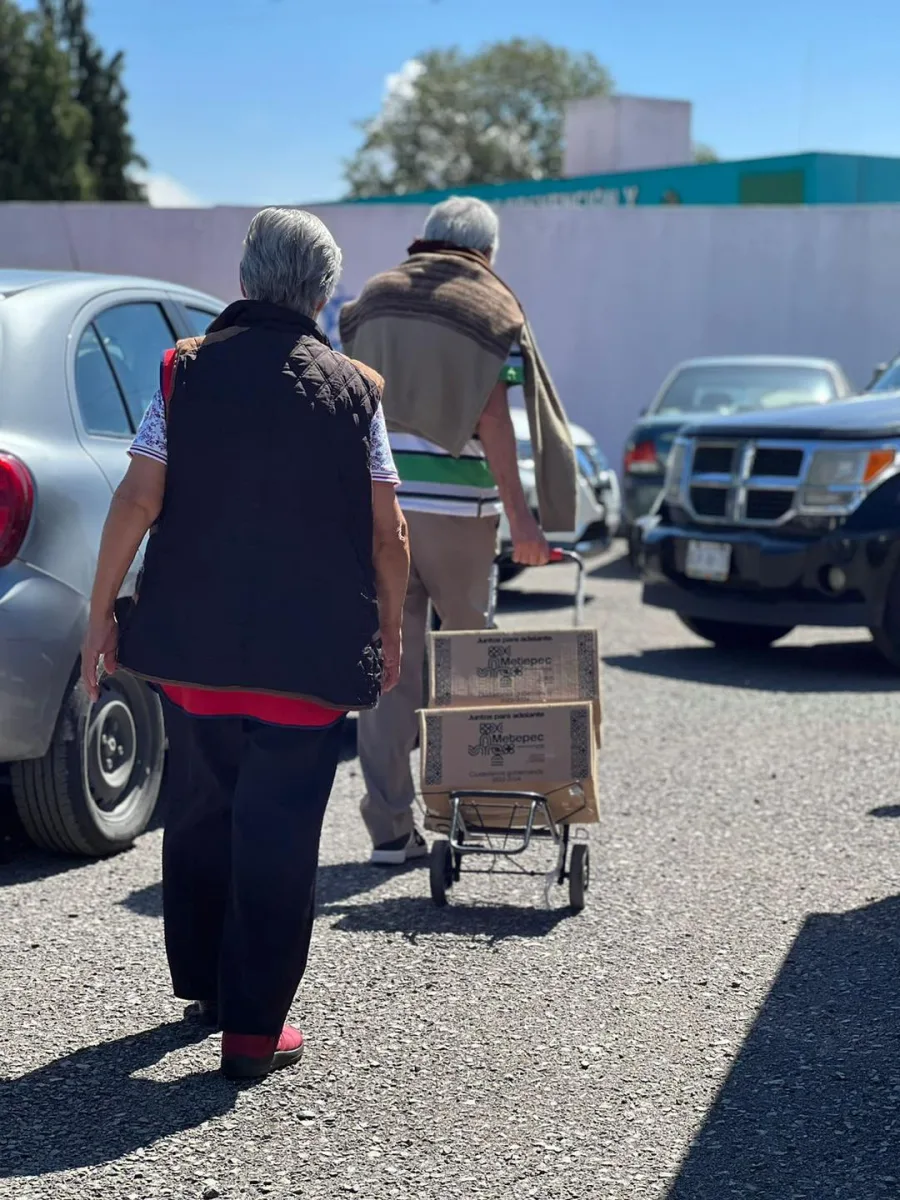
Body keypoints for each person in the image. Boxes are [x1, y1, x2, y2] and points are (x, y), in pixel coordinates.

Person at [81, 207, 410, 1081]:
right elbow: (389, 534)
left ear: (244, 277)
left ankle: (205, 986)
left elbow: (135, 500)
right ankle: (253, 1033)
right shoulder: (357, 392)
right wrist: (391, 625)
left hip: (195, 655)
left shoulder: (183, 373)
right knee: (280, 834)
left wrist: (100, 614)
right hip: (307, 667)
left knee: (200, 811)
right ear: (322, 293)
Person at [340, 196, 577, 866]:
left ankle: (390, 830)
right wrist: (525, 519)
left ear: (425, 240)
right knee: (474, 664)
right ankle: (478, 809)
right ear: (487, 253)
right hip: (459, 515)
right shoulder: (488, 306)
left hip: (381, 507)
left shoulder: (374, 299)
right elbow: (494, 419)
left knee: (389, 664)